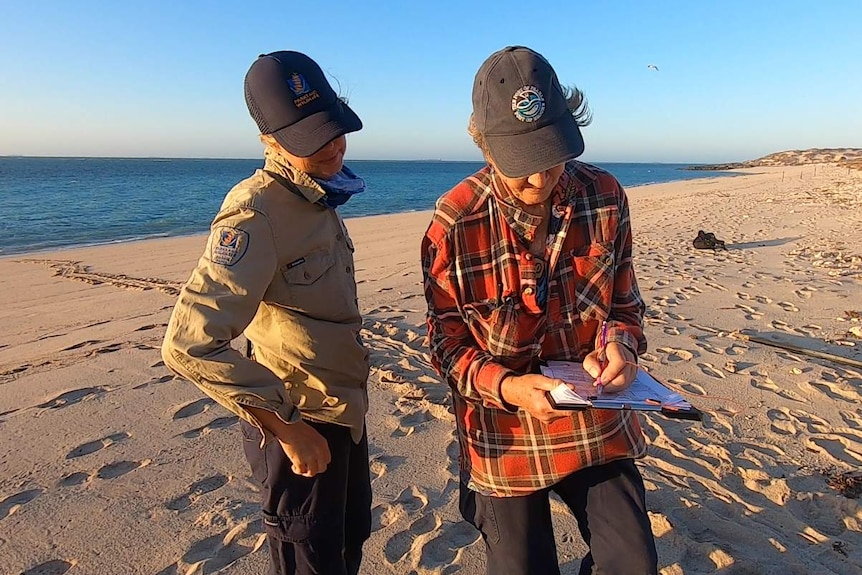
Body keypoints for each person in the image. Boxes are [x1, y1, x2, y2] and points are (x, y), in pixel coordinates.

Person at [421, 46, 658, 575]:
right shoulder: (454, 222)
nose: (542, 178)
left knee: (634, 562)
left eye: (552, 155)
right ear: (485, 148)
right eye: (523, 165)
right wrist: (508, 388)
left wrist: (618, 345)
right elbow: (446, 345)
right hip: (502, 421)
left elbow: (624, 302)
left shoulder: (605, 195)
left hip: (595, 415)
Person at [162, 50, 371, 575]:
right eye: (310, 140)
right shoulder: (255, 210)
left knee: (347, 547)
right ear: (269, 141)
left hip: (345, 413)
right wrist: (287, 429)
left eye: (334, 129)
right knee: (308, 562)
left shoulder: (319, 195)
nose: (332, 148)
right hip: (300, 424)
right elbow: (189, 345)